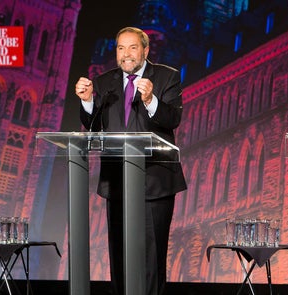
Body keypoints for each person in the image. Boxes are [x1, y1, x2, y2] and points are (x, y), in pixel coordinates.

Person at [75, 27, 187, 295]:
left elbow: (173, 119)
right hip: (117, 180)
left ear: (146, 50)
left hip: (155, 180)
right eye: (120, 48)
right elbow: (91, 124)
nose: (126, 54)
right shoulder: (103, 82)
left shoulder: (166, 76)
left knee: (151, 256)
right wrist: (88, 101)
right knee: (119, 253)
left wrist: (150, 100)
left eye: (132, 47)